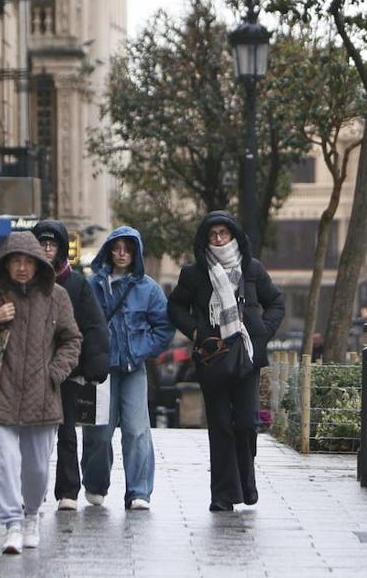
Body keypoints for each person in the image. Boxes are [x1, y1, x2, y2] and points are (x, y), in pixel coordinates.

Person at [0, 231, 81, 555]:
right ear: (6, 264)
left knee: (37, 468)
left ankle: (31, 516)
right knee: (5, 463)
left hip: (42, 396)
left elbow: (72, 339)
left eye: (28, 261)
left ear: (39, 264)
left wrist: (55, 373)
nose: (22, 268)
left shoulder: (57, 297)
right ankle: (11, 524)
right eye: (16, 261)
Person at [167, 212, 285, 511]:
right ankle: (223, 495)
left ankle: (247, 485)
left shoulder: (252, 269)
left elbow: (276, 302)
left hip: (247, 357)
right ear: (205, 239)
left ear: (234, 236)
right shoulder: (194, 274)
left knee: (245, 423)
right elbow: (176, 306)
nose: (219, 239)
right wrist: (195, 331)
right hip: (212, 358)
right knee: (220, 426)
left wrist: (262, 331)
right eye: (213, 234)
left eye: (224, 233)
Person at [81, 227, 172, 511]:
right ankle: (95, 485)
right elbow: (79, 324)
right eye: (116, 247)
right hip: (100, 370)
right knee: (98, 430)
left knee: (136, 429)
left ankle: (139, 491)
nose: (121, 254)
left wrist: (140, 350)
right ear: (108, 250)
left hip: (133, 368)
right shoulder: (92, 285)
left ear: (135, 253)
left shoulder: (149, 289)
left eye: (127, 249)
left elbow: (164, 328)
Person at [32, 219, 110, 511]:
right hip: (31, 369)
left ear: (63, 249)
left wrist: (94, 367)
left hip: (65, 370)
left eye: (53, 244)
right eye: (43, 243)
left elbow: (94, 326)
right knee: (33, 435)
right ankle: (33, 488)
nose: (48, 248)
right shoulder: (24, 281)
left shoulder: (77, 284)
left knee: (66, 432)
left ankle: (68, 491)